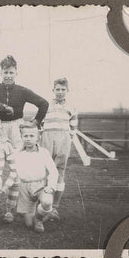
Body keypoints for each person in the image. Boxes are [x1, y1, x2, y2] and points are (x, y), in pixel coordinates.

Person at [0, 55, 48, 222]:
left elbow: (43, 103)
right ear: (1, 73)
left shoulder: (22, 90)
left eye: (11, 72)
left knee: (15, 170)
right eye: (5, 72)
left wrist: (35, 123)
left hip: (16, 128)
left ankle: (9, 210)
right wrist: (1, 106)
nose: (8, 75)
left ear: (16, 73)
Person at [40, 77, 78, 219]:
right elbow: (40, 123)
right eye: (58, 89)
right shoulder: (46, 105)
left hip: (64, 139)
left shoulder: (71, 106)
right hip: (48, 137)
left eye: (63, 89)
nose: (60, 92)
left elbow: (74, 126)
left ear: (67, 90)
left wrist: (68, 139)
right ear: (53, 90)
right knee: (45, 170)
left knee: (60, 170)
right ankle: (44, 205)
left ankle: (55, 206)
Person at [14, 122, 58, 233]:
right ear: (21, 137)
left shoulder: (43, 153)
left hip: (40, 185)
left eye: (31, 136)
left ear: (38, 137)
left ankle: (39, 219)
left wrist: (51, 187)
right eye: (25, 136)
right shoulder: (17, 153)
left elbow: (53, 171)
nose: (28, 139)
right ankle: (48, 213)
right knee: (29, 224)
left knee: (47, 202)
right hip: (24, 187)